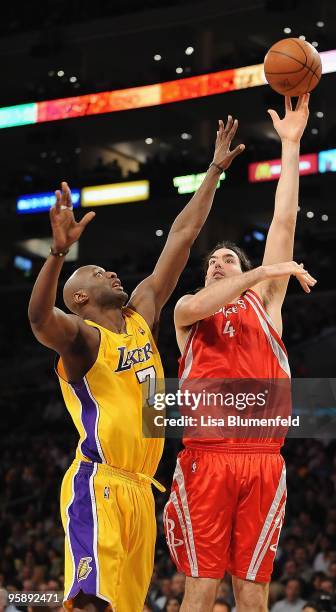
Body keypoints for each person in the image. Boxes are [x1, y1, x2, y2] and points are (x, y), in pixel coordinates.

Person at [28, 116, 245, 612]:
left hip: (142, 490)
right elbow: (39, 319)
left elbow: (182, 235)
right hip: (98, 482)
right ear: (80, 296)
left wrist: (212, 170)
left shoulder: (141, 313)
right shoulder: (83, 339)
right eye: (96, 270)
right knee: (91, 603)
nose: (110, 270)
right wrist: (59, 254)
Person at [163, 94, 315, 612]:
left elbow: (284, 224)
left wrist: (291, 146)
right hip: (207, 461)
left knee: (253, 591)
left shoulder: (266, 304)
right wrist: (259, 271)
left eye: (228, 258)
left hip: (264, 462)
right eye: (213, 261)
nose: (219, 263)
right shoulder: (189, 310)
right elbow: (208, 297)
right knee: (201, 589)